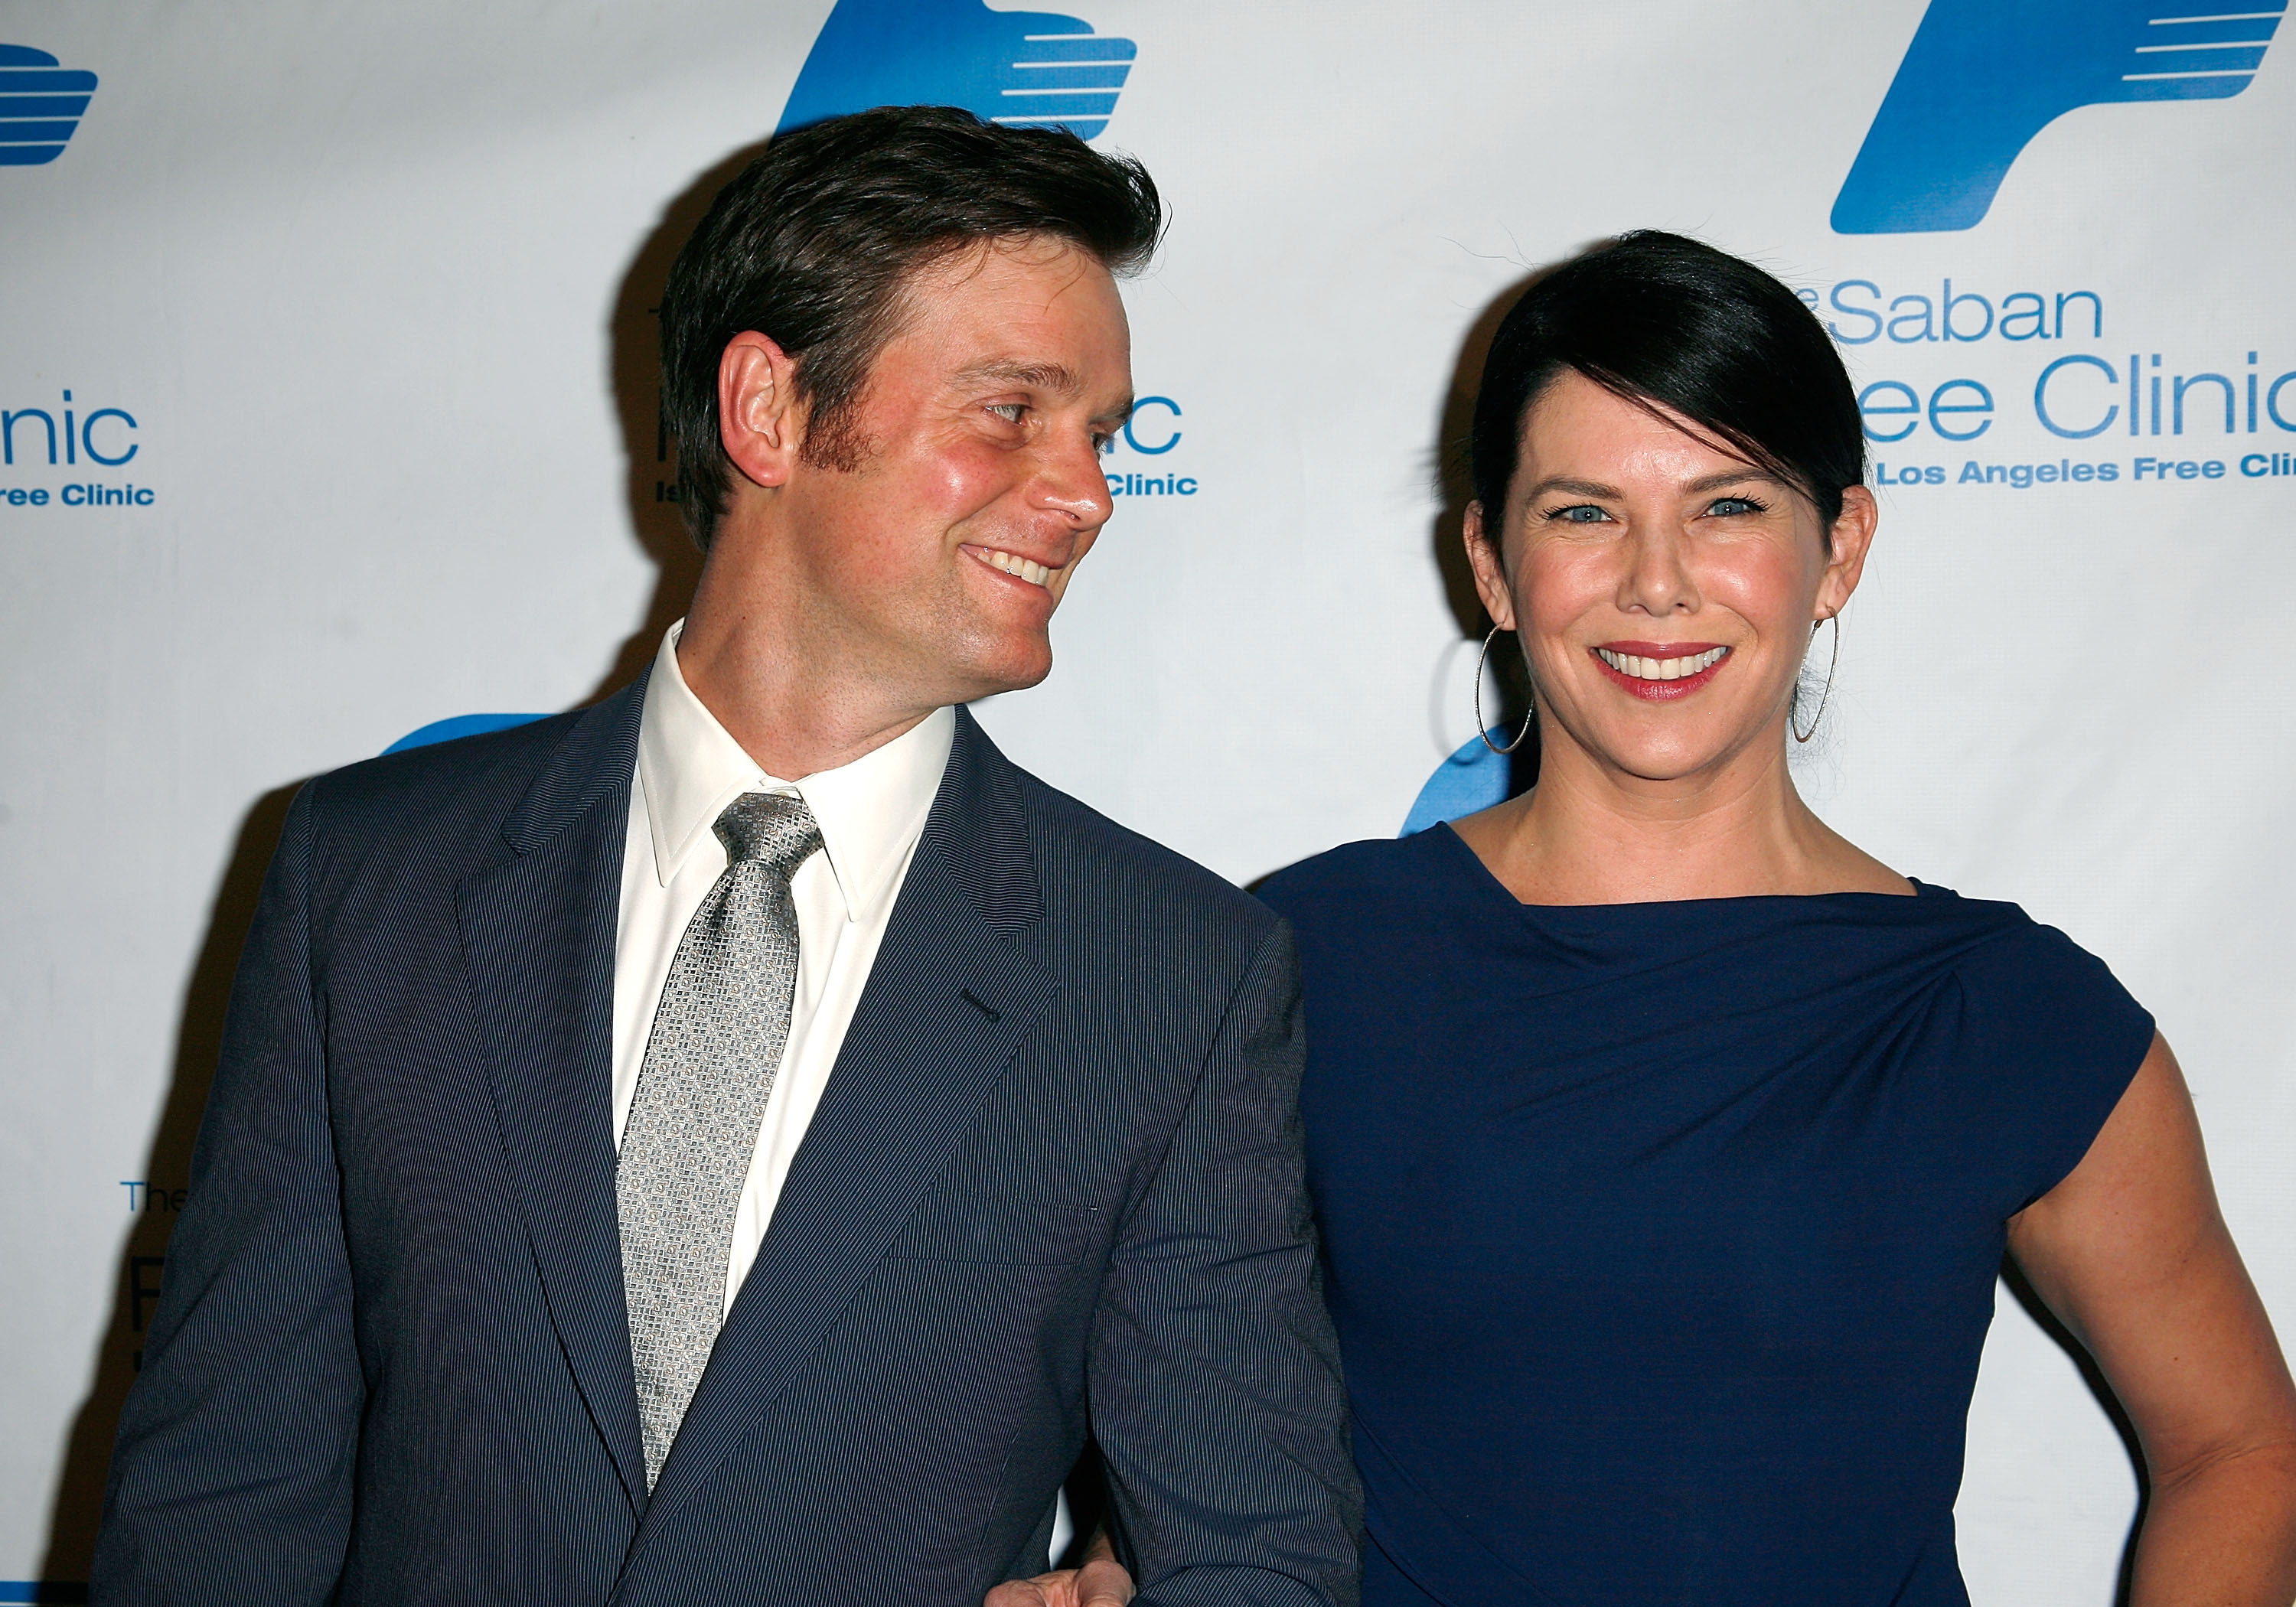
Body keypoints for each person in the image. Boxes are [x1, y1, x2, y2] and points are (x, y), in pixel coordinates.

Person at [91, 106, 1361, 1607]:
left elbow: (1259, 1556)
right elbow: (227, 1495)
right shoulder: (369, 881)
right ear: (766, 411)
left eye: (1101, 436)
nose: (1086, 493)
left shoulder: (1172, 979)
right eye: (1012, 410)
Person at [1045, 230, 2296, 1606]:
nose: (1657, 582)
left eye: (1729, 507)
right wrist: (1115, 1567)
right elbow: (1186, 1434)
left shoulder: (2004, 1012)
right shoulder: (1298, 960)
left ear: (1842, 546)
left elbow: (2240, 1447)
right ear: (1492, 561)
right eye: (1583, 512)